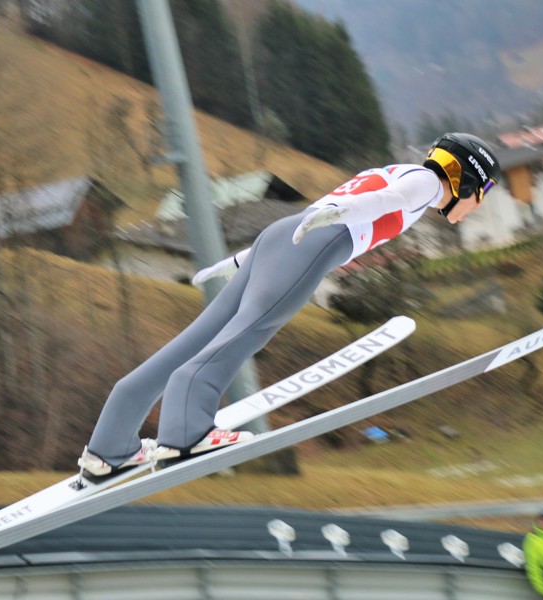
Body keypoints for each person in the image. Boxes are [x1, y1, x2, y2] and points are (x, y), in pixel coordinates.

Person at [77, 133, 502, 476]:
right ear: (464, 178)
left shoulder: (399, 171)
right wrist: (340, 211)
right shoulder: (426, 183)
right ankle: (184, 432)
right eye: (481, 193)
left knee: (198, 338)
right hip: (315, 241)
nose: (477, 205)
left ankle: (109, 446)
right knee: (250, 329)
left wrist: (244, 259)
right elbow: (387, 201)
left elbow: (329, 211)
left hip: (283, 237)